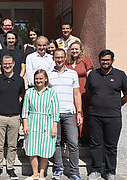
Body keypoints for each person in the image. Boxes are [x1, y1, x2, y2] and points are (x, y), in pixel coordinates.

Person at [85, 49, 127, 180]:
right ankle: (96, 170)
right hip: (95, 115)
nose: (105, 62)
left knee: (111, 146)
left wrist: (116, 104)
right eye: (103, 60)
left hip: (113, 116)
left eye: (108, 60)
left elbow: (126, 94)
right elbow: (89, 92)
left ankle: (110, 172)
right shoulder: (93, 74)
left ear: (112, 61)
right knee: (95, 144)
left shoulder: (120, 75)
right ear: (99, 61)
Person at [49, 49, 84, 180]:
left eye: (61, 57)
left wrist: (79, 112)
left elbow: (77, 94)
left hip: (69, 112)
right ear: (53, 58)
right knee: (55, 142)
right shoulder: (48, 73)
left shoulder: (72, 74)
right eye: (57, 57)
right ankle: (58, 167)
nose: (59, 60)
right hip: (53, 114)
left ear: (65, 58)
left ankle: (75, 172)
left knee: (73, 142)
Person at [0, 55, 25, 180]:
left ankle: (10, 168)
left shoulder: (20, 80)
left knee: (12, 145)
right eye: (5, 63)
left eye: (9, 63)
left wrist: (15, 106)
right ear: (2, 64)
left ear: (14, 63)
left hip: (14, 116)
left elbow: (21, 95)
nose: (7, 66)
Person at [22, 69, 59, 180]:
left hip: (46, 124)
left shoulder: (52, 93)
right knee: (32, 148)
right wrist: (25, 124)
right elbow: (25, 110)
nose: (38, 81)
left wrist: (54, 127)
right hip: (32, 122)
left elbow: (55, 112)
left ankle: (42, 173)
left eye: (40, 79)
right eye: (36, 79)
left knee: (45, 148)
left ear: (45, 79)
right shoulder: (29, 92)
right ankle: (34, 173)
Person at [65, 41, 94, 138]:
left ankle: (83, 136)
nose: (74, 51)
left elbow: (89, 73)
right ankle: (72, 136)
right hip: (70, 91)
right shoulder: (67, 61)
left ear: (80, 50)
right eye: (72, 49)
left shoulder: (85, 58)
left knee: (82, 111)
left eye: (76, 49)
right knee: (71, 113)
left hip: (82, 90)